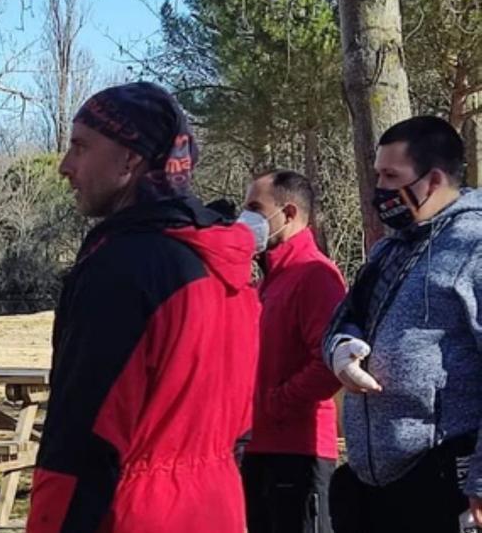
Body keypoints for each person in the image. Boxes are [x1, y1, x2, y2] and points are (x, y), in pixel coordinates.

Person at [26, 81, 262, 533]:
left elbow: (82, 440)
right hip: (216, 509)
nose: (65, 166)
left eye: (80, 147)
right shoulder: (230, 266)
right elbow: (241, 427)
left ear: (129, 160)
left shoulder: (123, 269)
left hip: (132, 514)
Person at [323, 116, 482, 532]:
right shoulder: (388, 249)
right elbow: (344, 319)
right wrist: (341, 349)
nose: (380, 189)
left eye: (391, 176)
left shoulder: (475, 246)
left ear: (431, 180)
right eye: (377, 174)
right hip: (370, 481)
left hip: (445, 475)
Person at [241, 170, 346, 533]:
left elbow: (331, 361)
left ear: (287, 213)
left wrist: (276, 402)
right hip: (258, 447)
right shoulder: (267, 280)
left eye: (255, 207)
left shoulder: (316, 274)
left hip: (300, 454)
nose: (246, 218)